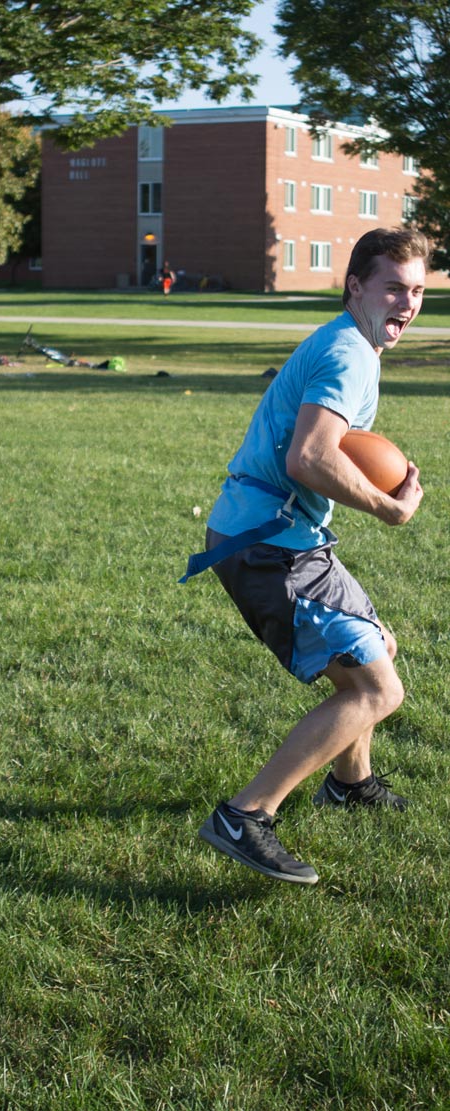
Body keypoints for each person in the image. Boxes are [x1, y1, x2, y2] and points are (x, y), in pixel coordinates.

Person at [183, 228, 429, 886]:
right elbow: (310, 457)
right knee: (380, 688)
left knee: (378, 646)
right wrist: (390, 508)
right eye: (394, 286)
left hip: (277, 535)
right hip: (270, 546)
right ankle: (245, 814)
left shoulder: (350, 344)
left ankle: (351, 783)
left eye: (419, 289)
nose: (407, 301)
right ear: (355, 287)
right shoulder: (348, 353)